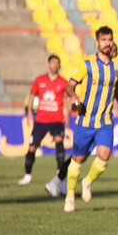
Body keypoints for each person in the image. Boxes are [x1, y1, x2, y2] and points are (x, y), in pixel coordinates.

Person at [46, 43, 118, 197]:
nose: (113, 52)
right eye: (112, 49)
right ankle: (58, 183)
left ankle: (60, 183)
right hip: (87, 119)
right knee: (79, 156)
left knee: (86, 156)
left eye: (115, 50)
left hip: (103, 121)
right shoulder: (94, 67)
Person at [62, 26, 118, 212]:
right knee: (77, 160)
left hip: (105, 121)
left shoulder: (117, 68)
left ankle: (87, 182)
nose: (107, 43)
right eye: (103, 40)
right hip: (85, 121)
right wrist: (73, 96)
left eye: (110, 39)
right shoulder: (86, 64)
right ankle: (70, 195)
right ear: (96, 42)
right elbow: (69, 86)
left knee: (104, 157)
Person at [18, 54, 70, 187]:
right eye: (53, 62)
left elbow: (67, 101)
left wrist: (68, 117)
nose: (55, 65)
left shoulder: (63, 82)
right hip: (41, 120)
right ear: (48, 64)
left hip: (57, 120)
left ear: (59, 65)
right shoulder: (39, 80)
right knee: (32, 147)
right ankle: (27, 176)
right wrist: (29, 113)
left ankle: (60, 173)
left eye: (57, 63)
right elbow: (32, 96)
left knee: (59, 142)